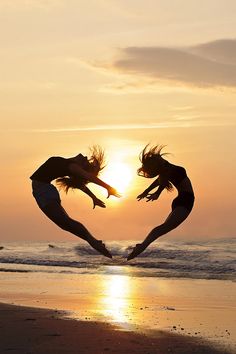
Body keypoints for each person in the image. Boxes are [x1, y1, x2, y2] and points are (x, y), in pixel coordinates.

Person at [30, 146, 120, 258]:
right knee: (65, 224)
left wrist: (108, 187)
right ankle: (92, 241)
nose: (85, 157)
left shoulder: (72, 166)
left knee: (65, 222)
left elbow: (89, 177)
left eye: (87, 162)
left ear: (83, 167)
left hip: (44, 192)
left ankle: (92, 241)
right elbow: (80, 185)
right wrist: (93, 197)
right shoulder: (68, 164)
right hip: (44, 191)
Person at [127, 144, 194, 260]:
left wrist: (148, 191)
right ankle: (141, 246)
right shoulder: (167, 170)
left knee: (163, 228)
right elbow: (161, 182)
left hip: (181, 201)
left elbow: (160, 181)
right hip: (185, 200)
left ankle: (142, 245)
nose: (161, 158)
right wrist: (155, 192)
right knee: (163, 228)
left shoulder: (166, 170)